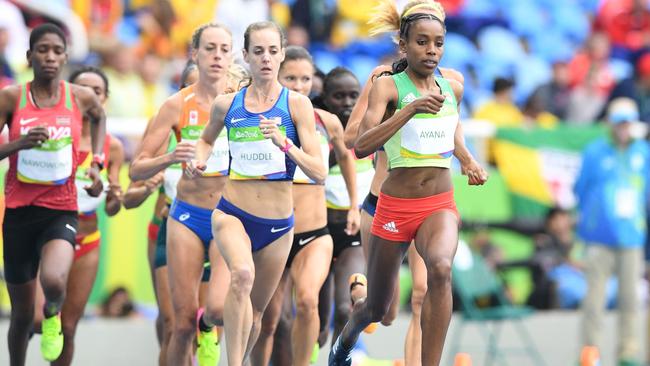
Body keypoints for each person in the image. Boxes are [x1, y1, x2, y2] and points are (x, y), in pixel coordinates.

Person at [329, 1, 488, 364]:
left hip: (438, 204)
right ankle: (344, 344)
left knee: (439, 271)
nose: (431, 50)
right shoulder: (386, 85)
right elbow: (360, 145)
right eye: (422, 42)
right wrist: (409, 110)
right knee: (379, 311)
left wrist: (467, 160)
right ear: (404, 43)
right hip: (393, 206)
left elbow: (451, 128)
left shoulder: (454, 88)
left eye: (438, 42)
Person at [188, 21, 327, 366]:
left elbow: (319, 171)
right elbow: (205, 139)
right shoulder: (227, 105)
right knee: (242, 275)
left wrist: (285, 144)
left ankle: (241, 359)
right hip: (233, 213)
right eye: (258, 51)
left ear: (281, 55)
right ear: (246, 56)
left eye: (273, 51)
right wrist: (199, 160)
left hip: (279, 225)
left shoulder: (297, 106)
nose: (266, 58)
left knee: (259, 314)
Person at [0, 23, 106, 365]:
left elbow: (99, 117)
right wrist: (19, 143)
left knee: (55, 281)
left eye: (57, 51)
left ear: (65, 57)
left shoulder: (79, 96)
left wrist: (98, 164)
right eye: (42, 50)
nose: (50, 57)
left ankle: (53, 313)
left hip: (60, 209)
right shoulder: (11, 98)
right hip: (18, 213)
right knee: (19, 316)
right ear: (29, 55)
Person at [129, 23, 233, 366]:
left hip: (228, 216)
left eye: (223, 49)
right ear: (195, 54)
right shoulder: (176, 105)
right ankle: (196, 328)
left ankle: (209, 325)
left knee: (217, 311)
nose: (217, 56)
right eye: (209, 49)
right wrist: (171, 156)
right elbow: (137, 168)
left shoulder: (245, 102)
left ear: (233, 55)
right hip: (186, 215)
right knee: (180, 323)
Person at [250, 46, 357, 366]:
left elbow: (347, 159)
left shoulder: (326, 122)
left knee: (309, 301)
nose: (299, 85)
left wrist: (353, 205)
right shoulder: (259, 121)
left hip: (314, 232)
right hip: (273, 232)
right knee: (271, 319)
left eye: (306, 78)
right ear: (277, 76)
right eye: (291, 78)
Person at [30, 66, 124, 366]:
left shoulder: (113, 146)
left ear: (105, 98)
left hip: (88, 241)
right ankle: (45, 314)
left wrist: (113, 197)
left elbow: (112, 207)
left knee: (68, 329)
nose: (89, 96)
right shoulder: (56, 135)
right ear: (70, 94)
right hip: (49, 238)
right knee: (34, 321)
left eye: (96, 91)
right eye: (81, 89)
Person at [123, 60, 199, 366]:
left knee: (204, 324)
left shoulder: (226, 124)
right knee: (173, 324)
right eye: (190, 88)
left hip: (212, 233)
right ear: (179, 93)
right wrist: (151, 180)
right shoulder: (164, 123)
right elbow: (131, 194)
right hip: (165, 230)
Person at [575, 97, 650, 366]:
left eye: (627, 123)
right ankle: (589, 351)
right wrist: (589, 222)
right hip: (599, 237)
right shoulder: (595, 152)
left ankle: (627, 353)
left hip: (632, 235)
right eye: (619, 122)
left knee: (631, 299)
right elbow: (580, 189)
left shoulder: (643, 152)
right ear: (609, 123)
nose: (623, 128)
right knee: (594, 298)